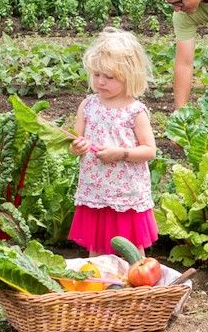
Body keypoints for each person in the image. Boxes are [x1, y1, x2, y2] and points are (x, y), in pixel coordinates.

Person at [68, 27, 159, 257]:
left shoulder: (135, 111)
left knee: (131, 248)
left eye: (109, 77)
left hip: (125, 192)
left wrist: (121, 153)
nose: (101, 81)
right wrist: (76, 147)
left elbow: (149, 150)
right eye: (97, 74)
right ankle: (100, 288)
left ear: (129, 76)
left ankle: (137, 287)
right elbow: (74, 142)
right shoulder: (88, 106)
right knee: (96, 246)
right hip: (96, 189)